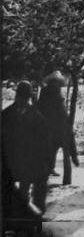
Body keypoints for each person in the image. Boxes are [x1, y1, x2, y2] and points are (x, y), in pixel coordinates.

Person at [1, 81, 53, 214]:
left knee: (30, 194)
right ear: (17, 96)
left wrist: (47, 164)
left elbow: (44, 143)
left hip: (31, 163)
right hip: (11, 163)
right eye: (21, 96)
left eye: (26, 97)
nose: (23, 100)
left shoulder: (37, 117)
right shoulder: (6, 115)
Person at [36, 71, 79, 185]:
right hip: (50, 125)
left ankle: (51, 168)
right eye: (54, 82)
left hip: (57, 125)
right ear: (51, 82)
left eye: (57, 83)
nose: (56, 84)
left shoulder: (56, 92)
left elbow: (59, 108)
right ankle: (48, 169)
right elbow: (42, 107)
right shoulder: (47, 91)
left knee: (53, 148)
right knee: (49, 148)